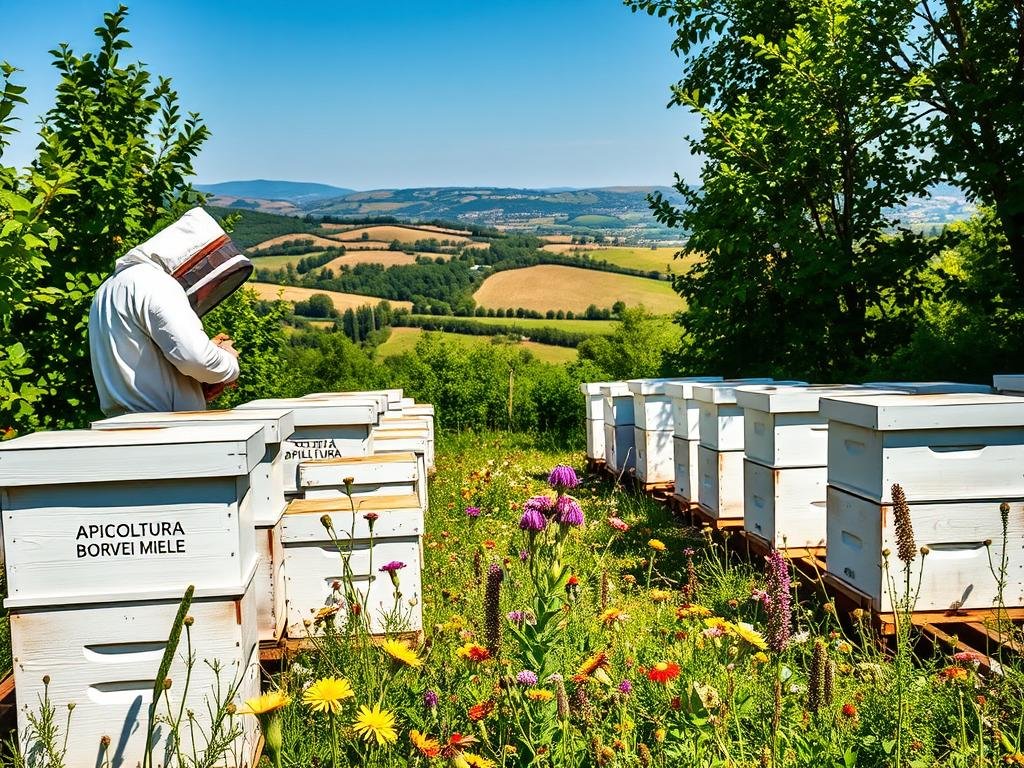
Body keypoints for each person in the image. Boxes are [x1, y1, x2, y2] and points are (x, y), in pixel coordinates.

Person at [89, 207, 253, 416]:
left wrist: (197, 380)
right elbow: (195, 359)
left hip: (126, 426)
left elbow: (146, 363)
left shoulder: (109, 287)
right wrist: (228, 362)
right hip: (163, 429)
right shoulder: (154, 282)